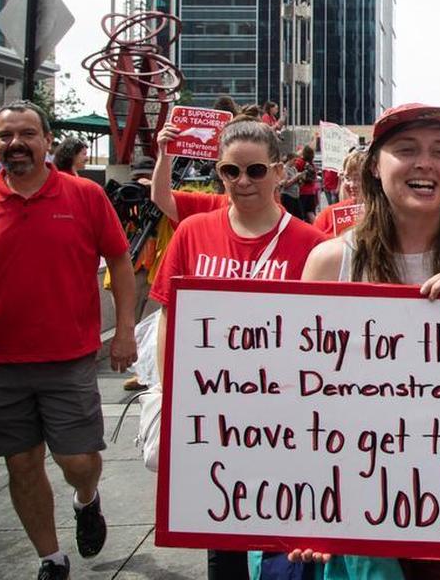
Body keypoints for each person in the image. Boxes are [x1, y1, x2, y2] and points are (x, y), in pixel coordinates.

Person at [294, 102, 440, 580]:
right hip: (354, 505)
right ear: (375, 167)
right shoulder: (329, 262)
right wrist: (307, 512)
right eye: (406, 150)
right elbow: (304, 401)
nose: (425, 163)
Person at [151, 117, 328, 580]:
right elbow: (171, 318)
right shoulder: (192, 233)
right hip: (211, 417)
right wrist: (174, 401)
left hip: (287, 421)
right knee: (223, 540)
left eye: (255, 171)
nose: (242, 182)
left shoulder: (313, 246)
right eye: (231, 172)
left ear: (279, 171)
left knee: (282, 543)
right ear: (219, 172)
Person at [0, 101, 138, 580]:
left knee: (78, 460)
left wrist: (125, 330)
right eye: (6, 136)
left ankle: (86, 499)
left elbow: (121, 261)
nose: (16, 144)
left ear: (48, 142)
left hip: (67, 358)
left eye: (27, 134)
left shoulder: (85, 196)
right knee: (21, 465)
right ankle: (51, 558)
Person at [314, 149, 366, 237]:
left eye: (358, 178)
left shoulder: (385, 213)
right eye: (348, 178)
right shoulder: (327, 215)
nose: (352, 185)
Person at [294, 145, 320, 222]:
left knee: (301, 214)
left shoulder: (299, 162)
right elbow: (314, 177)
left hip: (301, 191)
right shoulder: (312, 164)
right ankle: (317, 227)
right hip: (311, 191)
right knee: (311, 212)